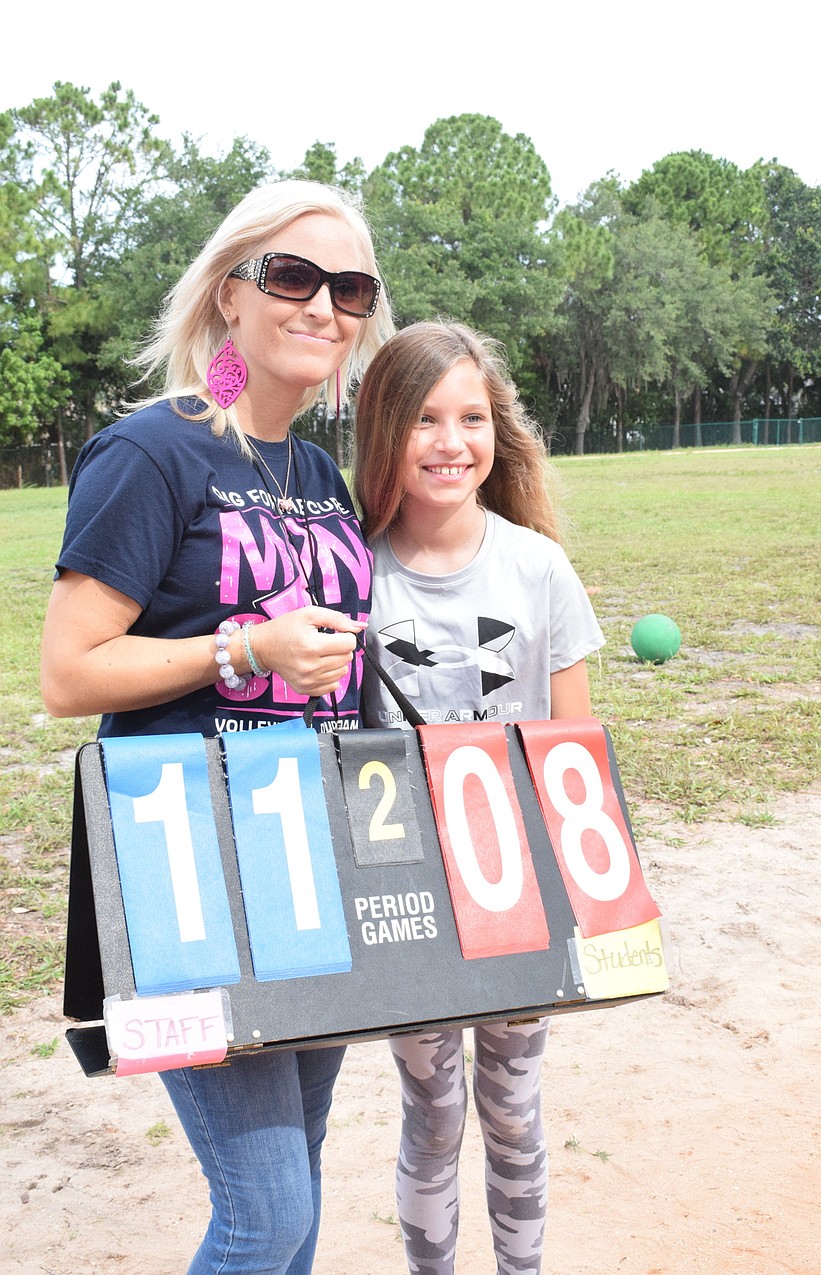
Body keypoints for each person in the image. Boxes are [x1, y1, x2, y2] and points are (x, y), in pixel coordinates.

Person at [40, 179, 393, 1274]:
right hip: (188, 868)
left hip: (311, 855)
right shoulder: (155, 450)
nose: (322, 307)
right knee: (266, 1212)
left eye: (349, 287)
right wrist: (244, 646)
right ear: (228, 295)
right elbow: (68, 671)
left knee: (303, 1170)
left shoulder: (317, 470)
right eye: (292, 277)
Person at [352, 320, 605, 1275]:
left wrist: (577, 892)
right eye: (422, 417)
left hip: (519, 898)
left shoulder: (536, 568)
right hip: (409, 895)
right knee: (432, 1109)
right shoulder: (353, 570)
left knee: (512, 1106)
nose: (450, 441)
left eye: (469, 417)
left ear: (496, 430)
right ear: (383, 430)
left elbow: (574, 754)